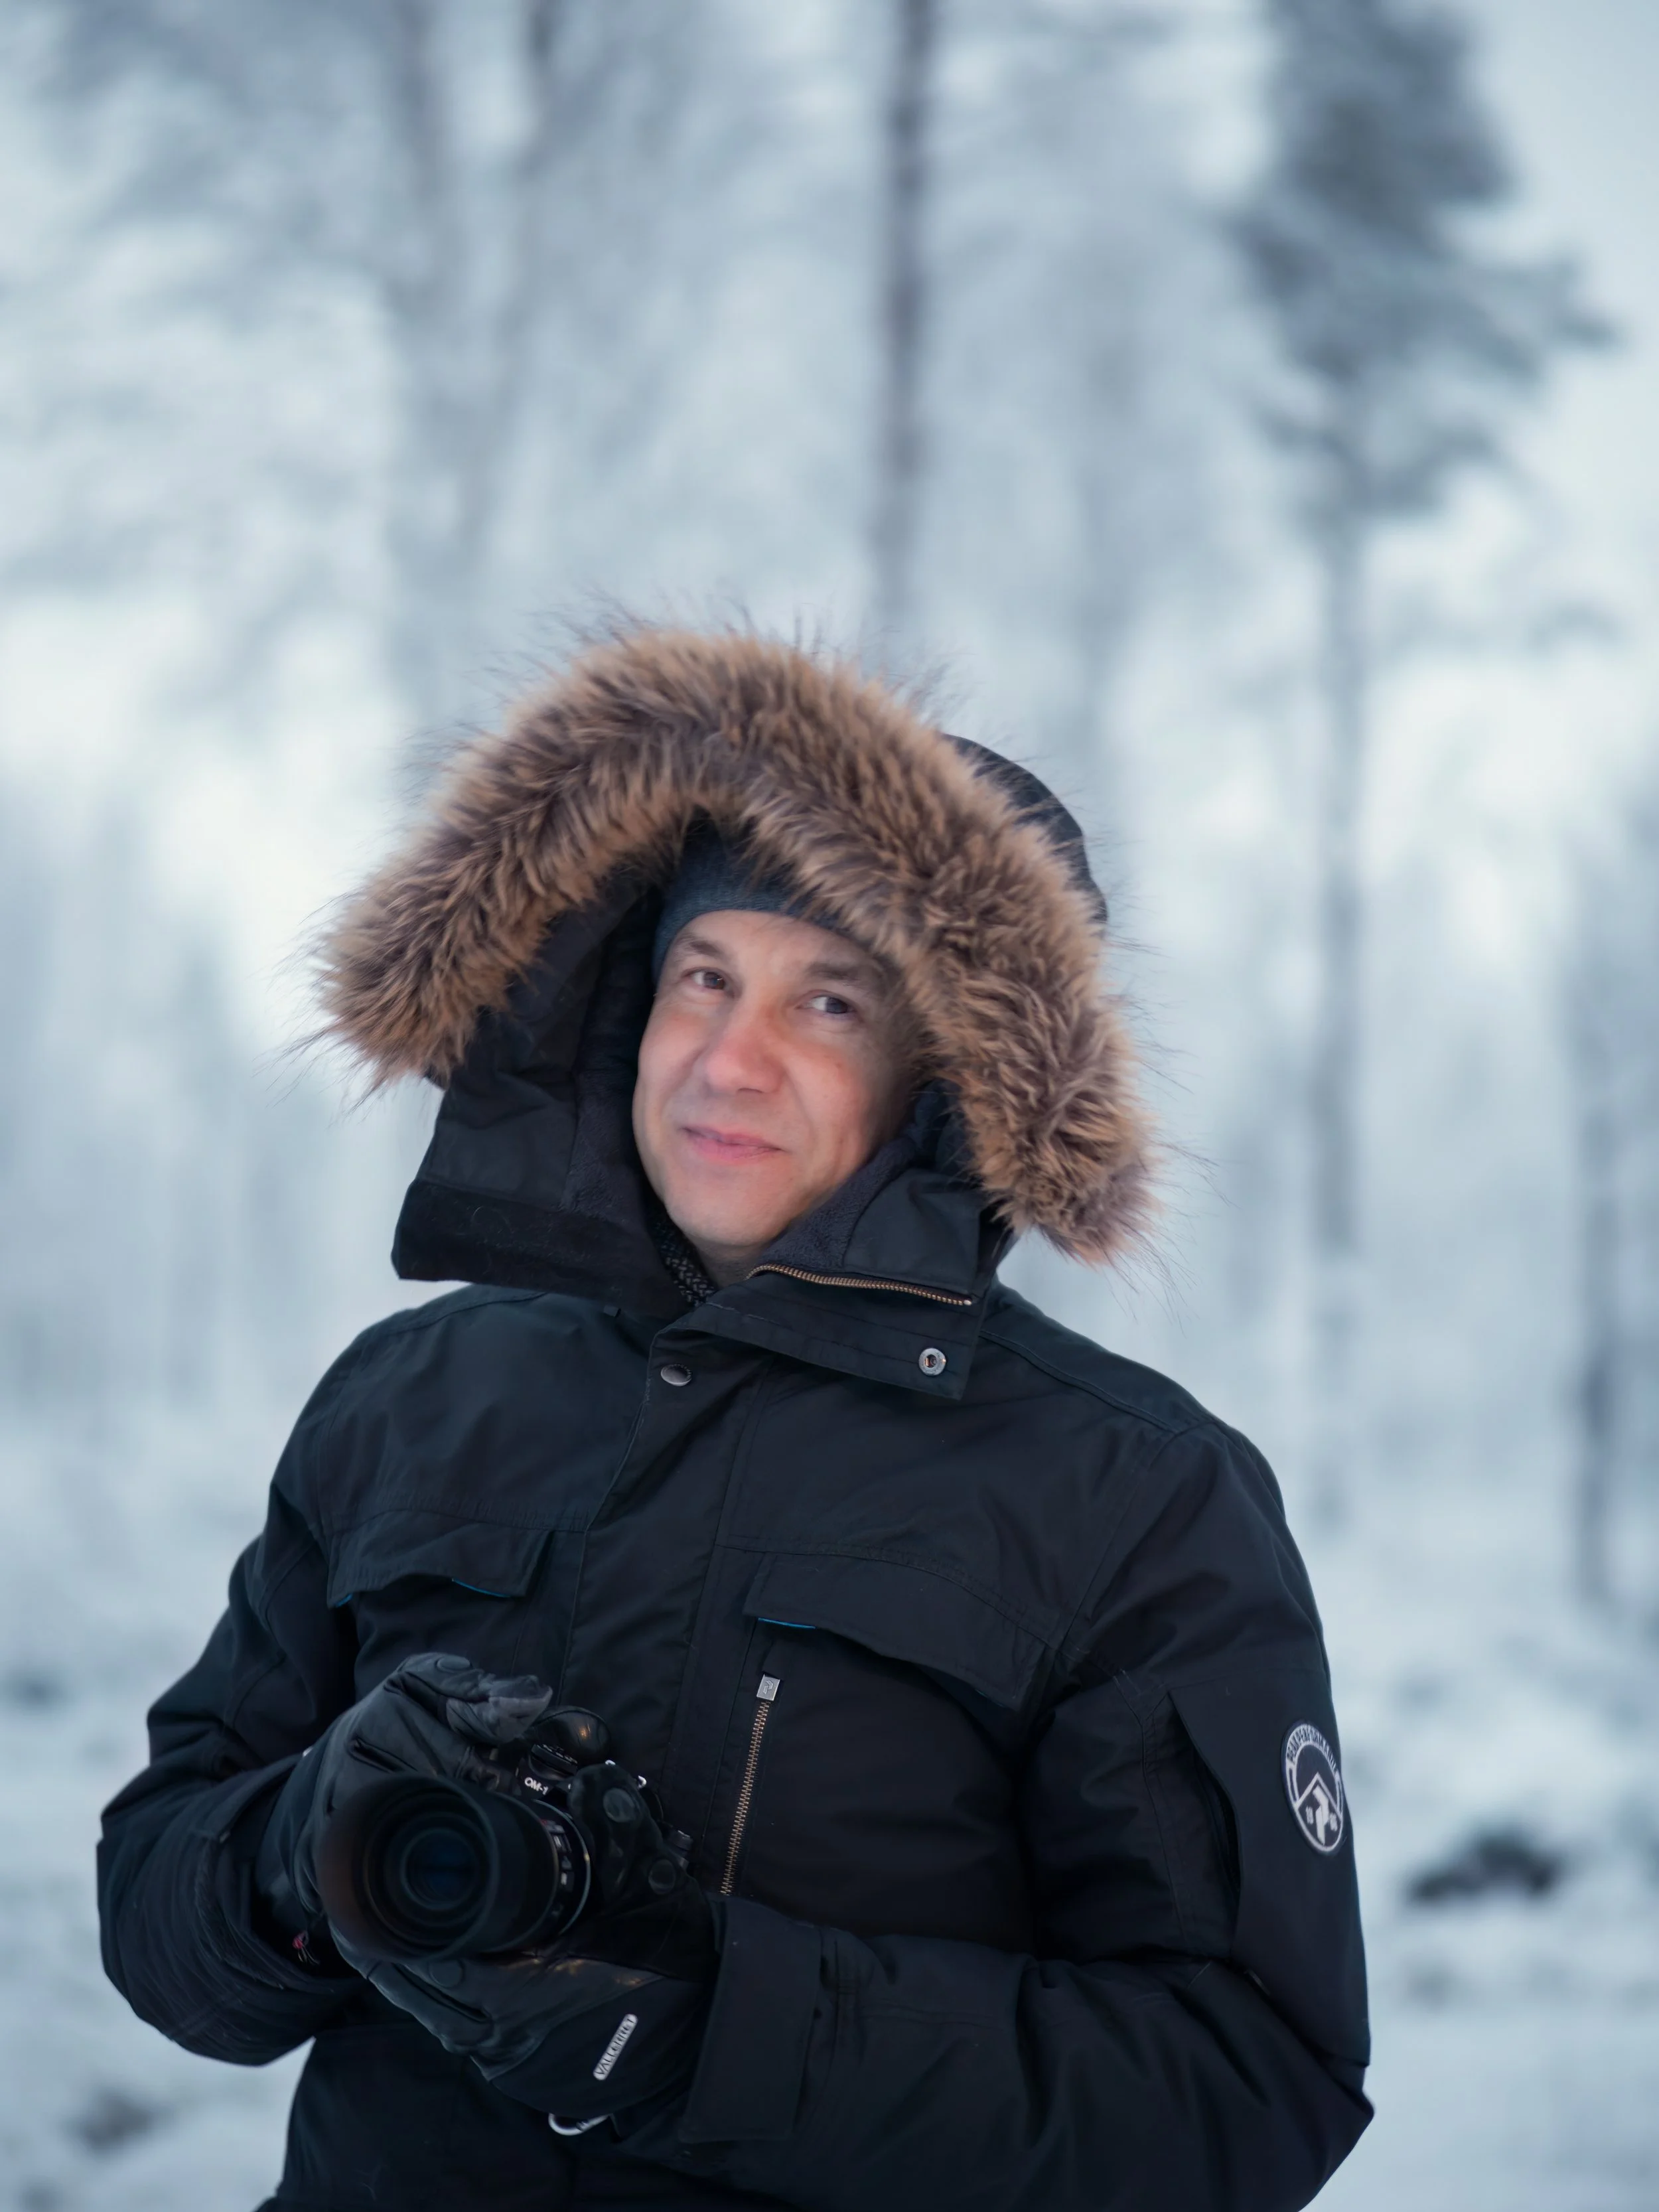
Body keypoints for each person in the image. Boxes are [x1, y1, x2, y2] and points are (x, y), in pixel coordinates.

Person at [99, 628, 1370, 2211]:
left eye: (826, 1003)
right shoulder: (410, 1398)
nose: (728, 1057)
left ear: (941, 1080)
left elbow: (1246, 2089)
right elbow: (161, 1928)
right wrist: (303, 1844)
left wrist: (707, 2021)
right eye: (702, 977)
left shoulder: (1135, 1494)